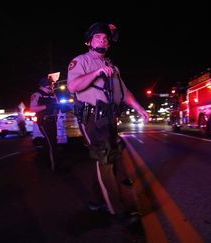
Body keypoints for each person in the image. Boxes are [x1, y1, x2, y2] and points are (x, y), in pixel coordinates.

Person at [67, 22, 149, 226]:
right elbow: (73, 86)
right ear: (89, 41)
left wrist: (138, 107)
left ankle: (98, 200)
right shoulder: (80, 61)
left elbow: (124, 91)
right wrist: (96, 73)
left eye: (105, 38)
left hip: (110, 118)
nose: (103, 40)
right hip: (92, 119)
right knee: (105, 158)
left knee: (111, 156)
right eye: (98, 37)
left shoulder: (112, 67)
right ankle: (117, 210)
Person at [30, 75, 60, 172]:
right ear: (44, 85)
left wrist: (60, 106)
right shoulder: (37, 94)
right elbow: (32, 108)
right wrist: (46, 106)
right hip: (44, 121)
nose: (52, 86)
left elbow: (57, 104)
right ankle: (55, 168)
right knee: (52, 144)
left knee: (50, 142)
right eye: (50, 84)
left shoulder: (52, 94)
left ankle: (44, 162)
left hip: (53, 120)